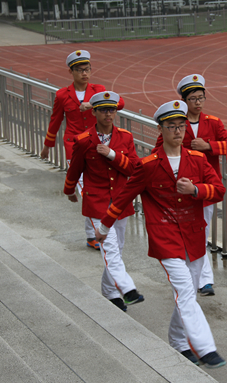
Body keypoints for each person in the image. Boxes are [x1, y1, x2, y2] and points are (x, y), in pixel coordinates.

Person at [96, 101, 226, 368]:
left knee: (186, 290)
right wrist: (104, 227)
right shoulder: (148, 165)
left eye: (181, 126)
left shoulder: (198, 160)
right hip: (165, 237)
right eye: (171, 126)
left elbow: (219, 190)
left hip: (194, 236)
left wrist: (195, 191)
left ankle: (178, 342)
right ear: (161, 129)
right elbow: (122, 197)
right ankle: (205, 347)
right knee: (185, 290)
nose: (178, 131)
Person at [64, 91, 143, 312]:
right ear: (95, 112)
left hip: (120, 200)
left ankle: (109, 292)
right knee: (109, 247)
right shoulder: (83, 140)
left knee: (117, 246)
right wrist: (70, 190)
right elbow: (76, 168)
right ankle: (127, 290)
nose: (109, 114)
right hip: (96, 201)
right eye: (104, 110)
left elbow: (134, 169)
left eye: (112, 110)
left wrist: (112, 155)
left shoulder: (125, 137)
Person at [151, 74, 227, 296]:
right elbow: (158, 149)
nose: (198, 102)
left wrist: (209, 146)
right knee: (185, 234)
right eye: (193, 98)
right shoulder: (176, 123)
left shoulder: (213, 122)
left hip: (204, 188)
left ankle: (204, 280)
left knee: (201, 233)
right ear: (184, 101)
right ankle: (191, 276)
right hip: (179, 191)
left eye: (201, 97)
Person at [41, 50, 125, 251]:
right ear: (71, 72)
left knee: (96, 187)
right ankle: (93, 234)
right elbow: (55, 120)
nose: (84, 73)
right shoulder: (63, 94)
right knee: (86, 190)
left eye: (87, 69)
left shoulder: (98, 90)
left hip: (99, 144)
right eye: (79, 70)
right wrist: (47, 146)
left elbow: (120, 103)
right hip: (76, 148)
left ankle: (95, 232)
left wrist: (93, 103)